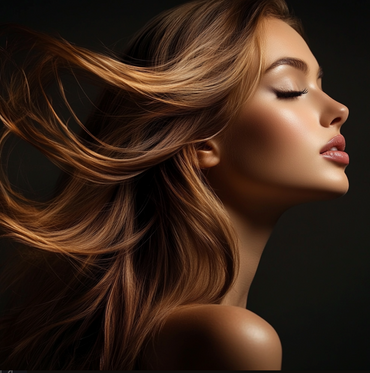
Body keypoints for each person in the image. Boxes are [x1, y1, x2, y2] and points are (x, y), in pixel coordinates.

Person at [0, 0, 349, 369]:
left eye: (320, 84)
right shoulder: (231, 340)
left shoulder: (142, 334)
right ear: (201, 139)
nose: (339, 109)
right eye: (291, 89)